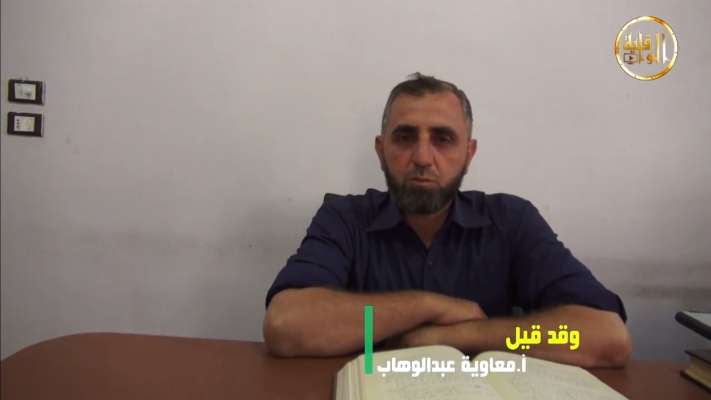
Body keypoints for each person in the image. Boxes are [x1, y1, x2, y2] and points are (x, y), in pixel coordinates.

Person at [262, 72, 631, 367]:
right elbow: (285, 325)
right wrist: (429, 306)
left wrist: (457, 335)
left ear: (469, 153)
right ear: (381, 150)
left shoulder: (512, 222)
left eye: (442, 139)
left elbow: (605, 336)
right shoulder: (344, 219)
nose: (423, 157)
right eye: (405, 137)